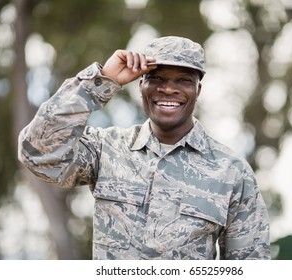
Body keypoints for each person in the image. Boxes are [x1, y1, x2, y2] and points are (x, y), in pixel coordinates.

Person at [18, 36, 270, 260]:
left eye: (183, 80)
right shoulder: (106, 148)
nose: (168, 88)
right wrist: (101, 81)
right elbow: (37, 154)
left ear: (197, 90)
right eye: (156, 78)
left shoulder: (231, 172)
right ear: (141, 85)